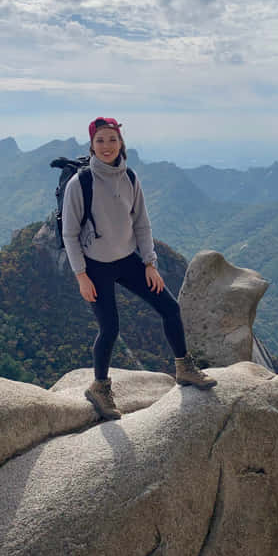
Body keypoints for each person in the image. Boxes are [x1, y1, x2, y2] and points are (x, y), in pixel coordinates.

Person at [62, 116, 217, 420]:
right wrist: (81, 275)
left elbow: (142, 224)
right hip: (95, 266)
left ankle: (184, 368)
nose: (107, 146)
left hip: (128, 260)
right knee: (110, 328)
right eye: (100, 141)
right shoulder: (80, 183)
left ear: (121, 143)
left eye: (112, 139)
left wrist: (150, 263)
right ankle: (100, 387)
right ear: (92, 146)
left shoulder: (130, 177)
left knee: (170, 308)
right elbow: (69, 234)